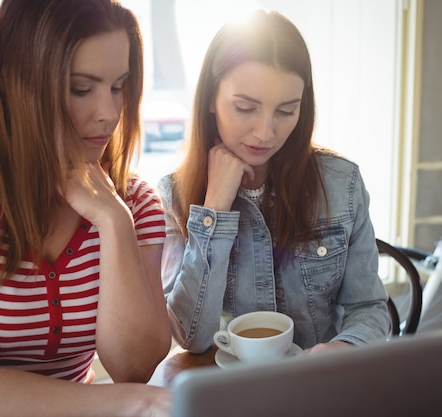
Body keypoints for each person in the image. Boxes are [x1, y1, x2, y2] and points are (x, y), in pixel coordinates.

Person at [0, 0, 172, 415]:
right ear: (15, 83)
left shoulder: (134, 203)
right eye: (80, 88)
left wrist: (113, 221)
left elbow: (134, 366)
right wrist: (138, 402)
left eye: (118, 86)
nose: (108, 114)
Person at [159, 9, 391, 355]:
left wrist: (344, 347)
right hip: (231, 392)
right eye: (245, 108)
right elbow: (192, 337)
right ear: (210, 98)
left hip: (318, 388)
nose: (265, 133)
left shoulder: (342, 185)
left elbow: (368, 307)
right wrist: (215, 210)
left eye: (286, 111)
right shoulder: (175, 194)